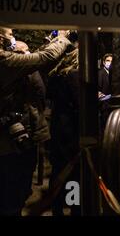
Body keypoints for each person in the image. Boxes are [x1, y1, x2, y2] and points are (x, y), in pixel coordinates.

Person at [0, 27, 71, 216]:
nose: (13, 37)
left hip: (23, 136)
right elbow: (43, 57)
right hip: (10, 143)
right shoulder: (5, 61)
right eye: (9, 34)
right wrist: (62, 38)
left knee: (21, 190)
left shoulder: (11, 61)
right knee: (13, 194)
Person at [47, 48, 80, 216]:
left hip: (57, 125)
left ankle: (56, 208)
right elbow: (79, 102)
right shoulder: (74, 75)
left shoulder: (56, 74)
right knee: (73, 170)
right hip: (71, 128)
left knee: (58, 168)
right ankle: (74, 207)